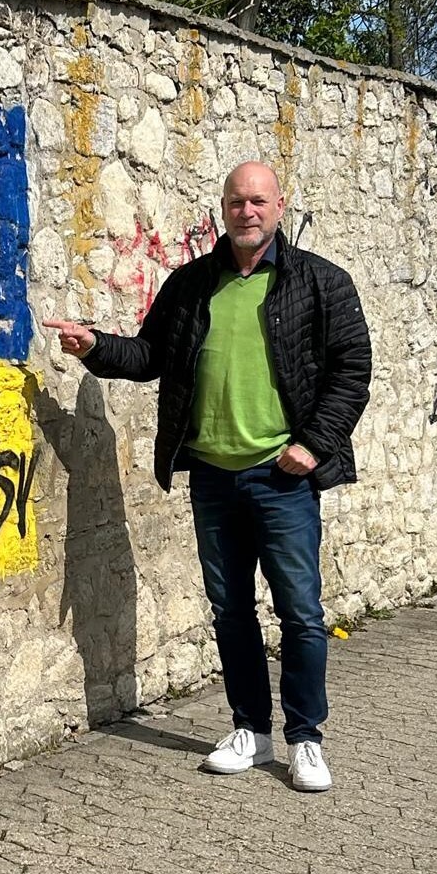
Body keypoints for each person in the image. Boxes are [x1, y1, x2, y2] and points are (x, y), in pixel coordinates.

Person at [43, 161, 371, 791]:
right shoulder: (193, 284)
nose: (246, 212)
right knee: (230, 611)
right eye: (235, 202)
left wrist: (313, 443)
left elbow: (352, 366)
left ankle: (306, 738)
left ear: (279, 205)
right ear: (223, 209)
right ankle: (251, 727)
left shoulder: (321, 283)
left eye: (257, 201)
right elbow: (149, 355)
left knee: (301, 612)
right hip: (214, 479)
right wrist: (97, 346)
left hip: (282, 476)